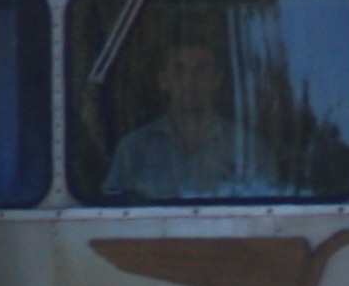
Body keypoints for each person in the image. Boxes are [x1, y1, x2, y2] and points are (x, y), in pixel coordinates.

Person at [103, 31, 253, 199]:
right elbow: (113, 211)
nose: (190, 80)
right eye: (179, 70)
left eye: (201, 69)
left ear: (217, 79)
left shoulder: (249, 150)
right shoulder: (133, 149)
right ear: (163, 80)